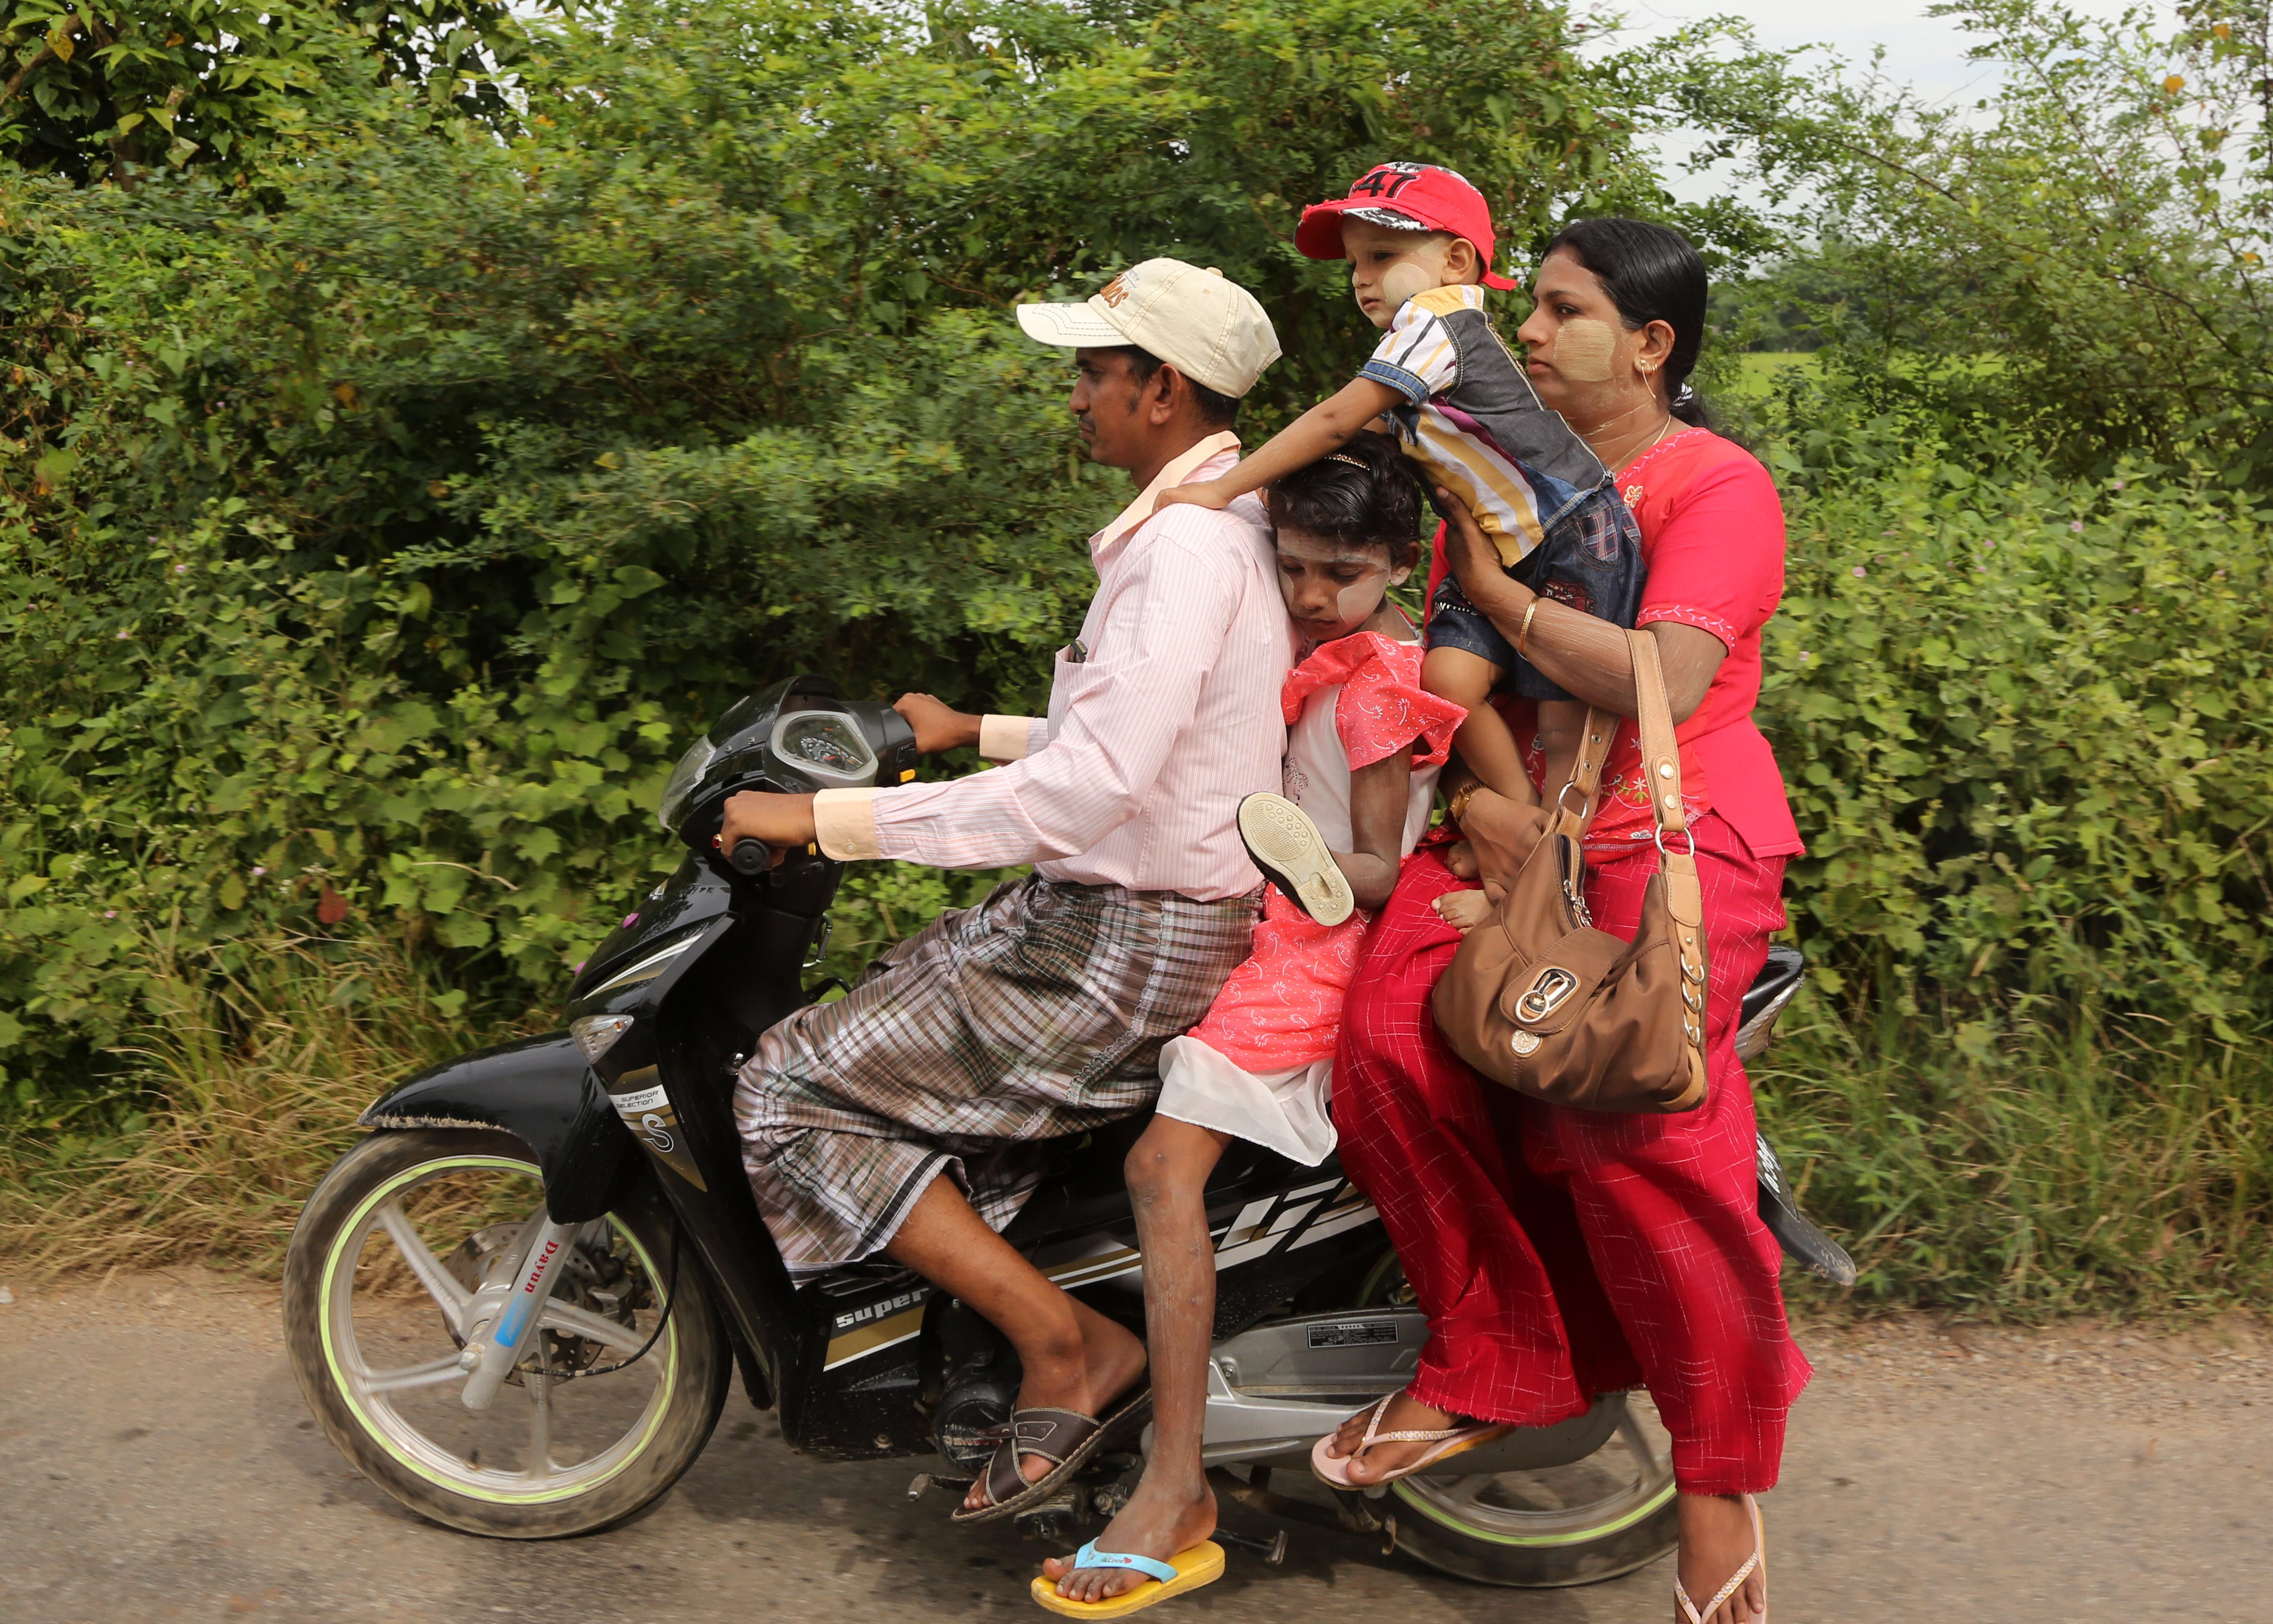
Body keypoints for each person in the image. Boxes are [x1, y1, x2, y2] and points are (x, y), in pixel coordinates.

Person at [716, 257, 1293, 1526]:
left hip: (1113, 939)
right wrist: (972, 726)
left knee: (785, 1084)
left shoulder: (1183, 550)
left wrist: (821, 817)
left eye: (1094, 371)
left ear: (1163, 386)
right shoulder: (1210, 526)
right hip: (1110, 919)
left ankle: (1063, 1345)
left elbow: (1087, 794)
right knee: (868, 1022)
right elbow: (1162, 751)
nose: (1076, 395)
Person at [1323, 218, 1809, 1624]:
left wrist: (1493, 592)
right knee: (1383, 1054)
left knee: (1627, 1140)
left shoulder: (1711, 487)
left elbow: (1659, 671)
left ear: (1649, 345)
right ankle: (1496, 1360)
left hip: (1663, 835)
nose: (1525, 334)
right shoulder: (1497, 465)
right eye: (1524, 309)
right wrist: (1484, 799)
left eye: (1561, 311)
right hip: (1508, 823)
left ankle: (1715, 1487)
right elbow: (1449, 679)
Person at [1039, 437, 1463, 1610]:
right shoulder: (1308, 661)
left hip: (1317, 956)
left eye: (1343, 573)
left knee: (1160, 1172)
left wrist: (1277, 849)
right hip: (1270, 931)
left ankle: (1175, 1481)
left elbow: (1376, 867)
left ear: (1395, 567)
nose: (1314, 596)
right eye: (1296, 570)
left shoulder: (1376, 682)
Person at [1154, 161, 1645, 821]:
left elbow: (1336, 420)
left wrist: (1225, 490)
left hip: (1575, 532)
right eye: (1354, 262)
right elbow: (1368, 439)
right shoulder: (1425, 348)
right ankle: (1526, 824)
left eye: (1382, 255)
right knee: (1447, 682)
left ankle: (1554, 853)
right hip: (1505, 551)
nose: (1361, 277)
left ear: (1456, 261)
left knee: (1562, 727)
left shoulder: (1439, 332)